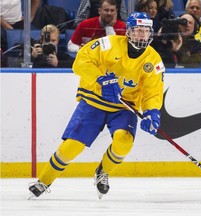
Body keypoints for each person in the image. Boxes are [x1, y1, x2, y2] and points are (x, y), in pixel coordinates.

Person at [28, 12, 165, 199]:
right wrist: (101, 79)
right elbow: (80, 62)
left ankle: (103, 171)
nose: (141, 35)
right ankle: (44, 181)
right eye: (137, 30)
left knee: (123, 142)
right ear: (128, 32)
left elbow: (153, 91)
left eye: (145, 31)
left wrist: (152, 112)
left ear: (150, 33)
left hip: (124, 107)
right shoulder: (108, 43)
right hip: (94, 101)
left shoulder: (154, 60)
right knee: (72, 147)